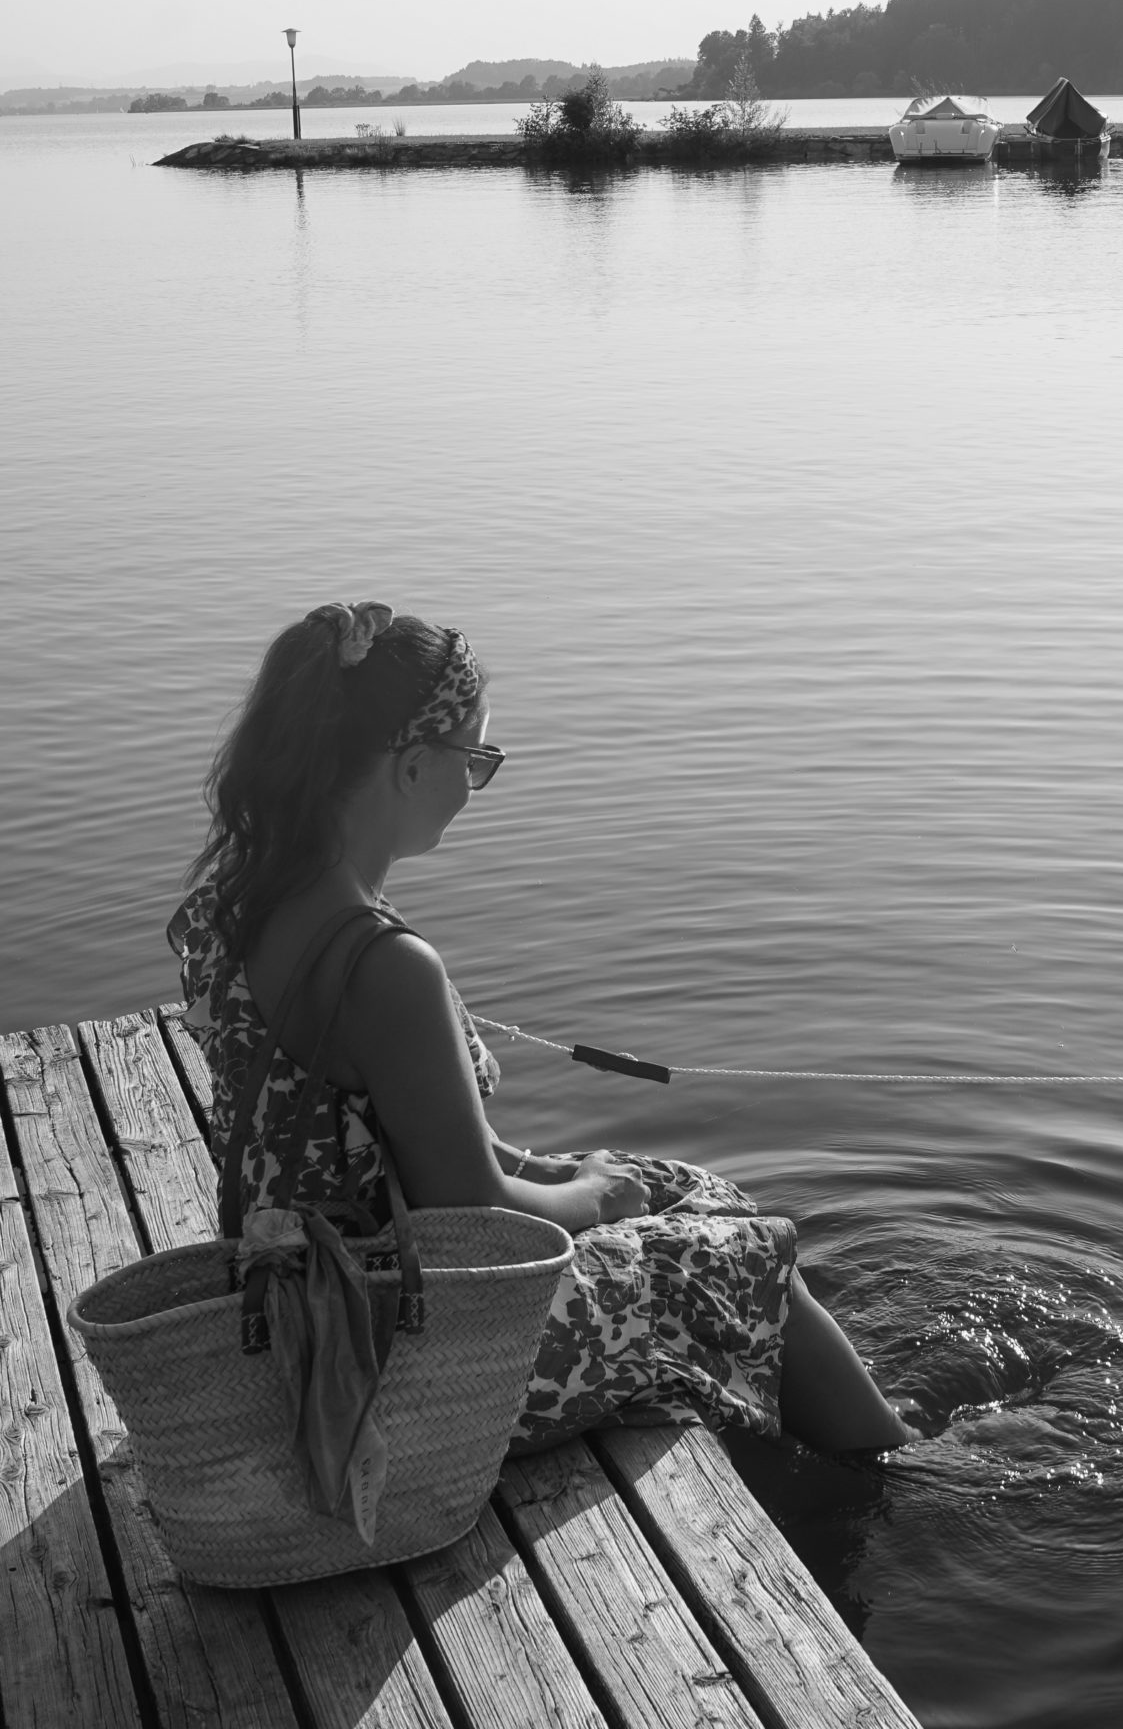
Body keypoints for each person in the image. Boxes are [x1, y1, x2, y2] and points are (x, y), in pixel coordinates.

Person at [170, 599, 910, 1456]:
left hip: (303, 1284)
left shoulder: (237, 903)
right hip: (393, 1355)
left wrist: (559, 1173)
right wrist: (588, 1197)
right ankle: (893, 1462)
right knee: (737, 1261)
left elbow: (379, 1145)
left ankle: (857, 1431)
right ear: (411, 766)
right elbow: (472, 1208)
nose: (475, 783)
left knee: (688, 1190)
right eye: (476, 758)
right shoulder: (385, 965)